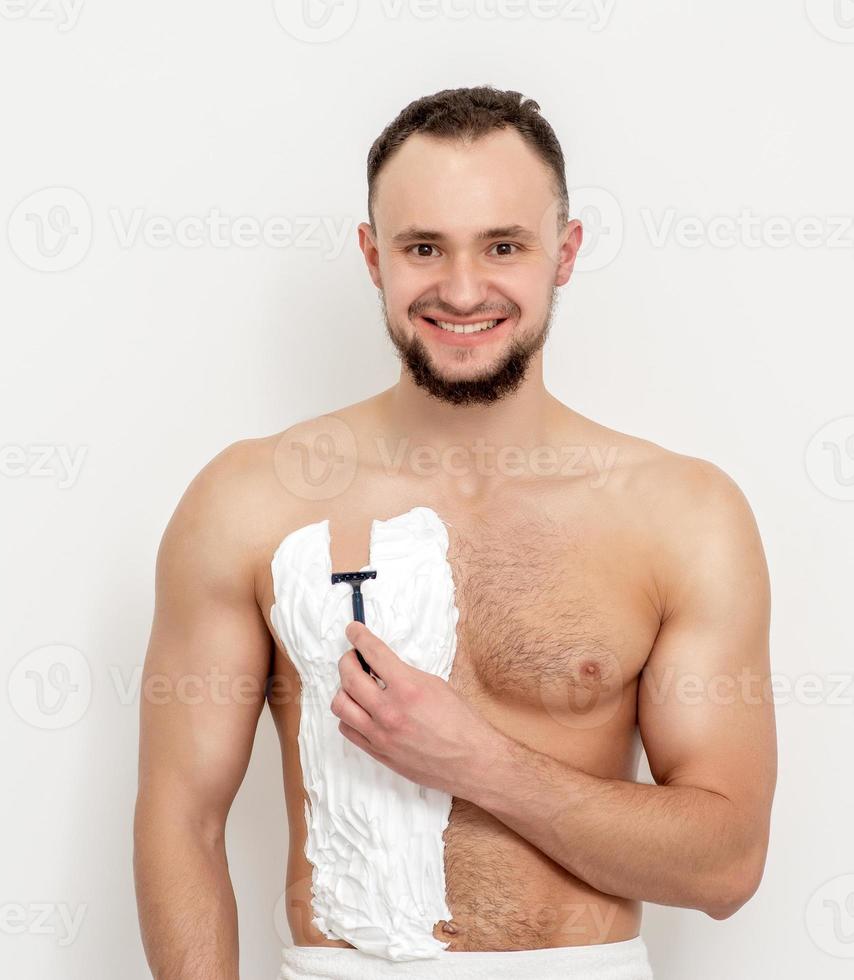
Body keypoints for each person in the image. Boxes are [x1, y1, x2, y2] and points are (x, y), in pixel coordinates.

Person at [132, 86, 776, 980]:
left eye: (503, 246)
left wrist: (478, 761)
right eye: (424, 247)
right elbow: (183, 822)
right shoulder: (251, 501)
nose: (463, 290)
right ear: (372, 256)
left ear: (566, 252)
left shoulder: (682, 515)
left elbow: (726, 864)